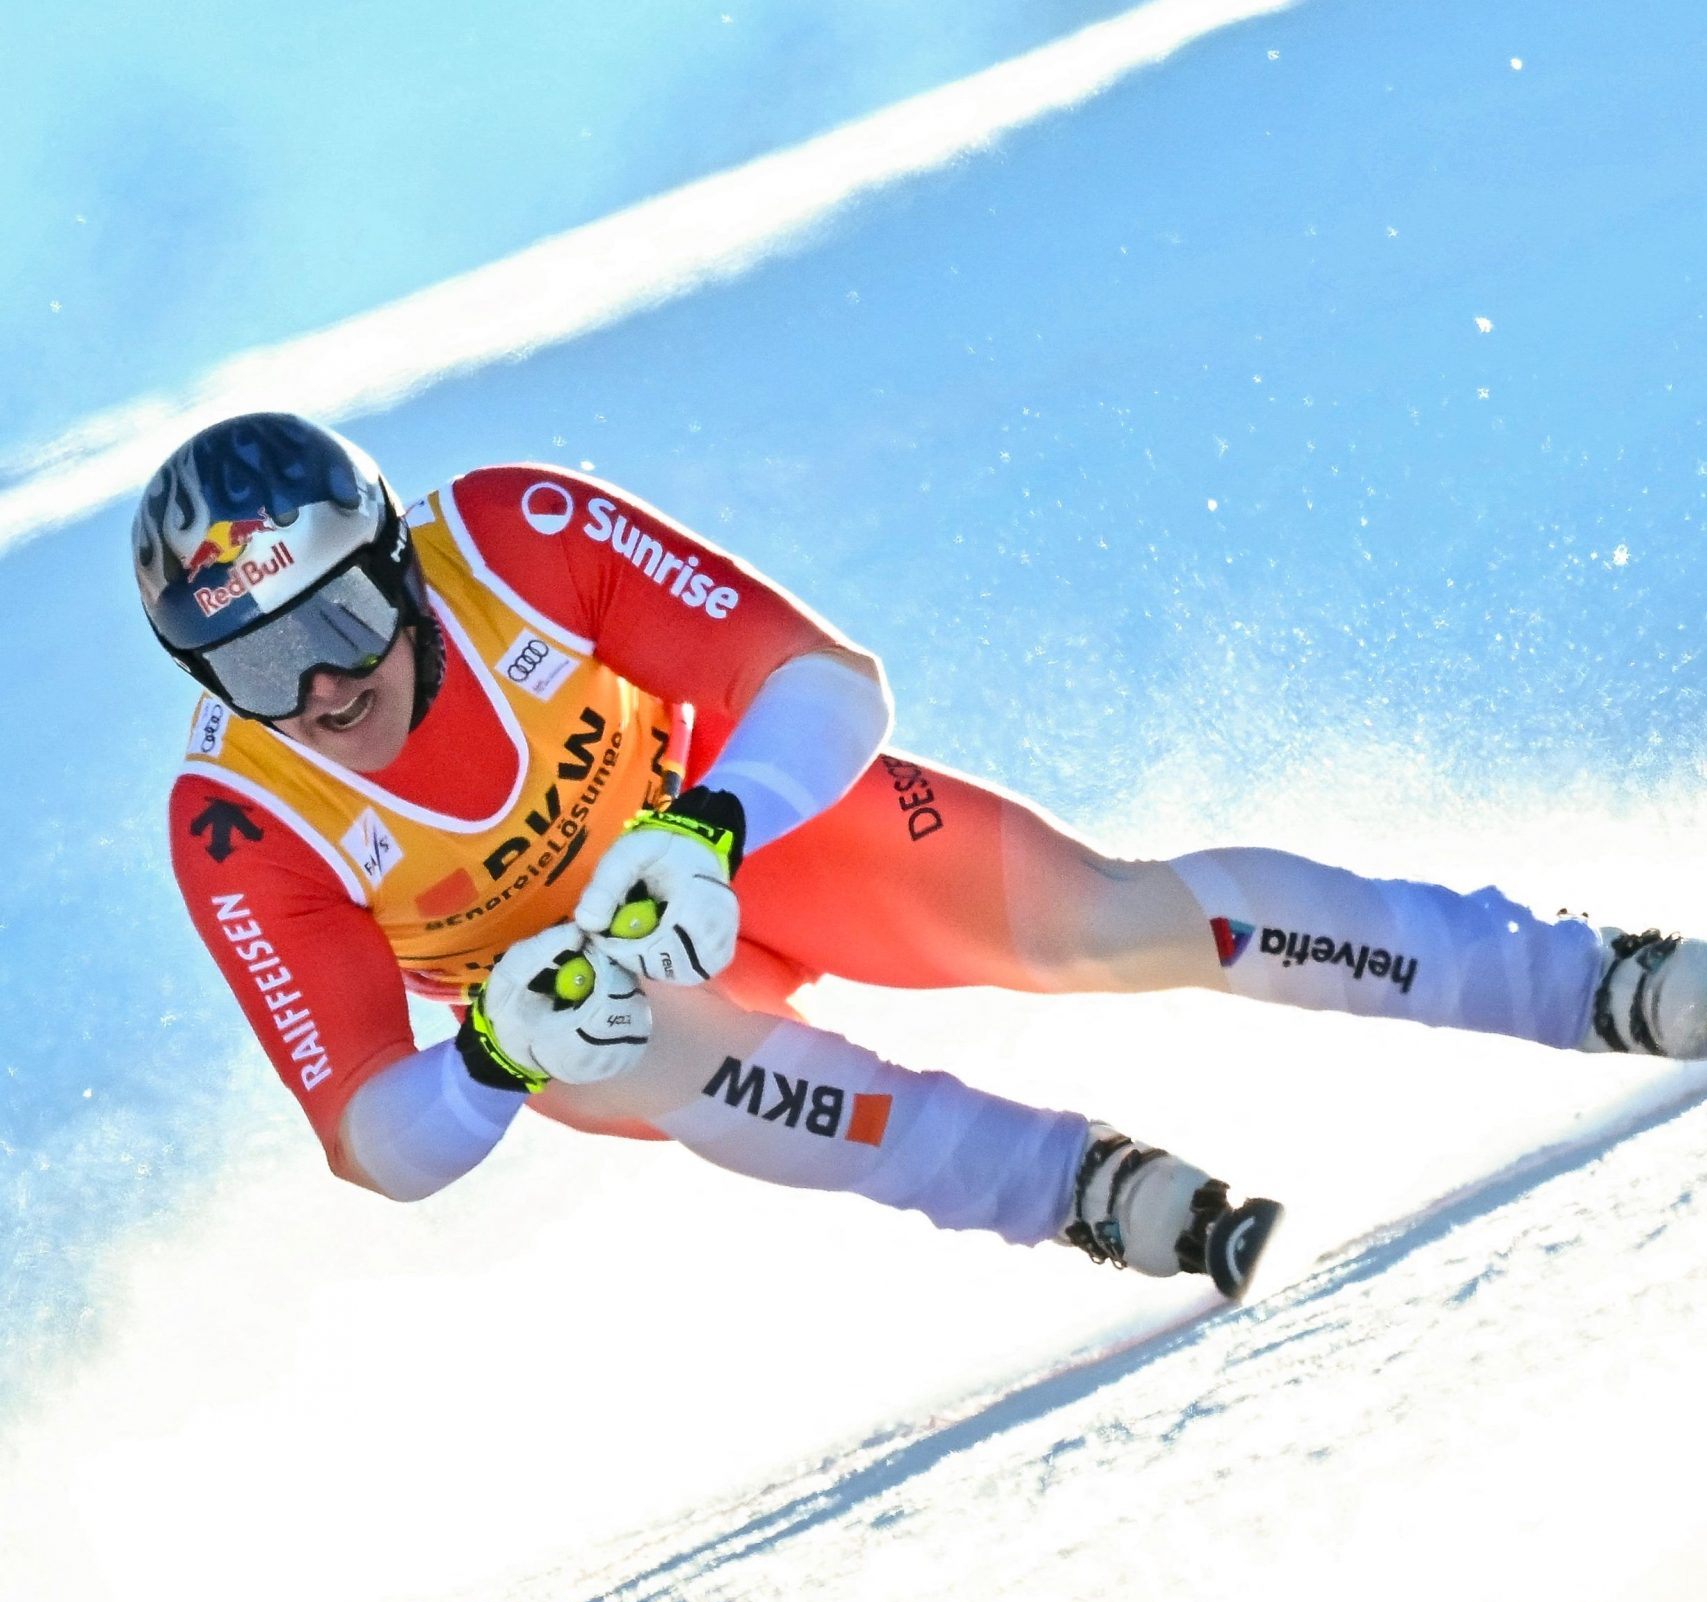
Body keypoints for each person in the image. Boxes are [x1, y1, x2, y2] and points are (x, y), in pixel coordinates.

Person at [133, 414, 1707, 1305]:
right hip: (590, 1008)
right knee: (685, 1059)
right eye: (257, 672)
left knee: (1106, 922)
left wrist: (709, 826)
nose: (322, 693)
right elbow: (376, 1140)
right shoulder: (242, 823)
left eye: (337, 626)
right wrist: (487, 1051)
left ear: (401, 569)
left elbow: (825, 687)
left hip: (753, 835)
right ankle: (1082, 1192)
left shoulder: (511, 538)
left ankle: (1596, 981)